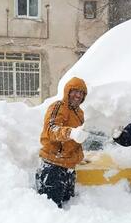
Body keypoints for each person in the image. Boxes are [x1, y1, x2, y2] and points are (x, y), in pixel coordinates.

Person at [36, 77, 89, 208]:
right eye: (75, 91)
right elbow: (51, 129)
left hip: (69, 167)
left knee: (67, 208)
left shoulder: (79, 112)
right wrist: (70, 133)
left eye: (81, 93)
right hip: (53, 166)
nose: (78, 95)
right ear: (67, 91)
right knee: (51, 211)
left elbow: (76, 139)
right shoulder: (58, 107)